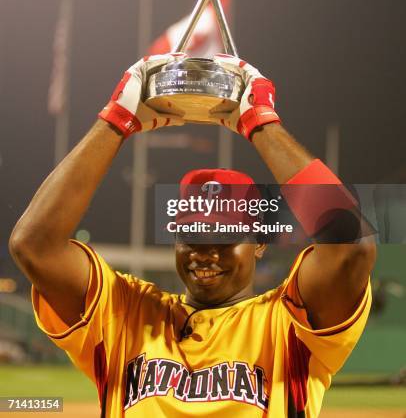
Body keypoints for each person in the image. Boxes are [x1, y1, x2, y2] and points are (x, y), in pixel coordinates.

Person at [9, 53, 375, 417]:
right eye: (191, 235)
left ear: (260, 242)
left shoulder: (290, 323)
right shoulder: (124, 314)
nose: (205, 252)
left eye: (224, 237)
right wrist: (115, 121)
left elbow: (351, 247)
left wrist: (261, 124)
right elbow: (34, 245)